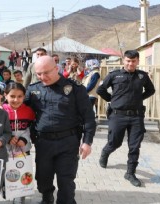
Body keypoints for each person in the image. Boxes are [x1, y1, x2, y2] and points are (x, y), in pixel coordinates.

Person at [25, 56, 96, 204]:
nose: (42, 77)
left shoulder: (75, 89)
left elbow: (89, 117)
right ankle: (47, 197)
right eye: (38, 74)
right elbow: (20, 111)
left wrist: (87, 142)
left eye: (46, 72)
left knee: (66, 181)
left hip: (68, 142)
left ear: (56, 68)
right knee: (43, 178)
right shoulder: (33, 90)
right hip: (43, 143)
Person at [97, 50, 155, 187]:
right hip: (118, 115)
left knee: (134, 146)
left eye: (133, 61)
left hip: (136, 116)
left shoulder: (142, 76)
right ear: (123, 61)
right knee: (115, 142)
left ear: (137, 61)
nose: (130, 63)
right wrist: (112, 100)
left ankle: (130, 173)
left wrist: (139, 99)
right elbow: (100, 90)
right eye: (128, 61)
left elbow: (151, 90)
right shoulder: (114, 75)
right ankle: (105, 152)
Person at [2, 83, 35, 204]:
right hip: (4, 150)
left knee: (23, 174)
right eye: (12, 96)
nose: (16, 100)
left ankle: (20, 198)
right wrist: (8, 137)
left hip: (22, 150)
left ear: (24, 96)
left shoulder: (29, 111)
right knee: (6, 173)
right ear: (5, 95)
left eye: (20, 96)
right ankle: (7, 191)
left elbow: (31, 128)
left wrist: (25, 139)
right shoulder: (0, 111)